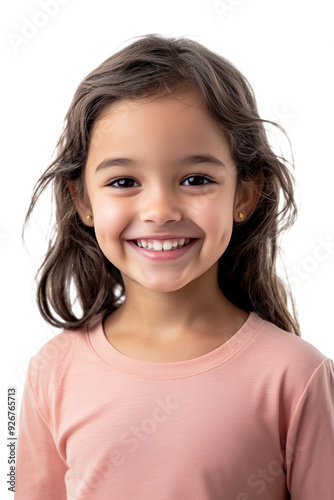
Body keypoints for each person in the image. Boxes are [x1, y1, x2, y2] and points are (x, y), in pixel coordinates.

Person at [15, 34, 334, 500]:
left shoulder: (297, 376)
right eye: (124, 181)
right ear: (81, 199)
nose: (160, 209)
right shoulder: (51, 371)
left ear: (244, 194)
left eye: (196, 179)